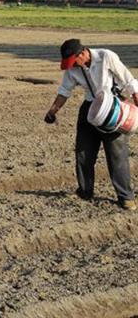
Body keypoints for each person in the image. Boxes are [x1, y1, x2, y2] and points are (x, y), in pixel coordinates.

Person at [44, 39, 138, 211]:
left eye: (74, 61)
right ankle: (85, 191)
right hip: (89, 108)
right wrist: (52, 111)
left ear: (83, 54)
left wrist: (135, 97)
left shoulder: (106, 56)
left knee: (116, 155)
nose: (73, 66)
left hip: (111, 105)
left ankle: (126, 197)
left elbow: (128, 79)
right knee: (83, 153)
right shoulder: (73, 68)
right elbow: (64, 91)